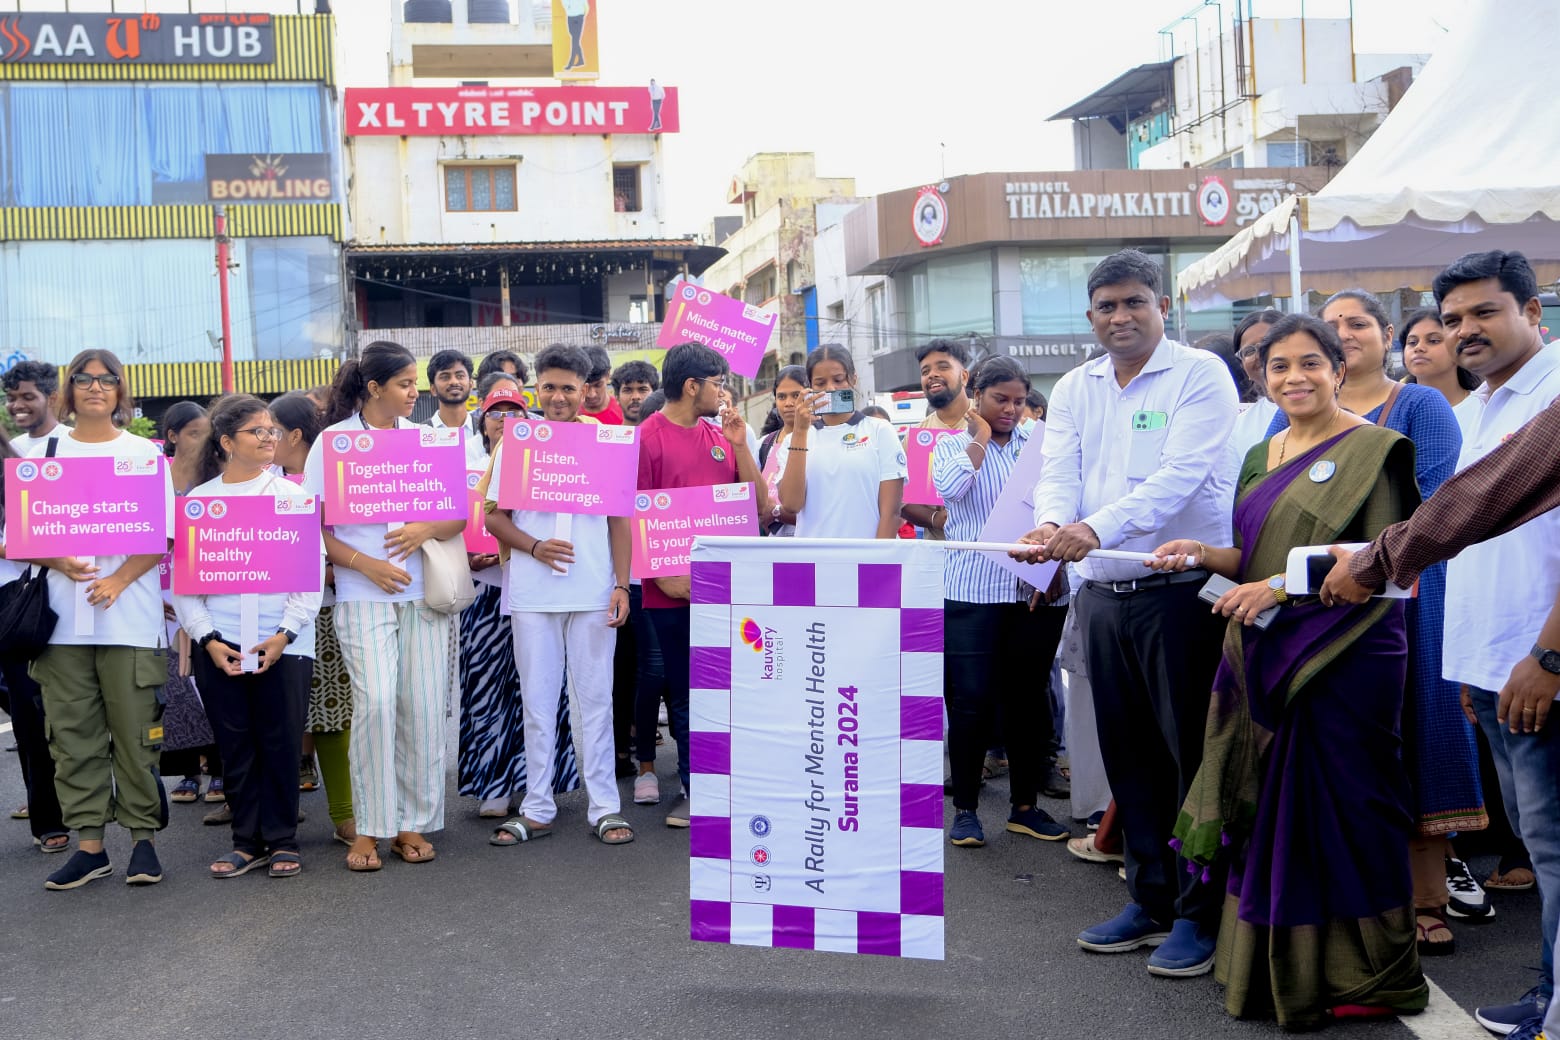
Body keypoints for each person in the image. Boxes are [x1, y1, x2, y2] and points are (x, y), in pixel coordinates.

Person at [1152, 313, 1427, 1028]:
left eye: (1312, 363)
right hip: (1268, 651)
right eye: (1279, 367)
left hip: (1349, 654)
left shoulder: (1378, 450)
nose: (1295, 377)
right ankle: (1284, 969)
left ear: (1340, 369)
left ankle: (1377, 972)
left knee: (1353, 806)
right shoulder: (1260, 454)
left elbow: (1389, 566)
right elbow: (1250, 555)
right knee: (1274, 810)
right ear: (1261, 377)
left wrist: (1275, 588)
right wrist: (1204, 555)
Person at [1013, 248, 1237, 977]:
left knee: (1189, 760)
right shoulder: (1076, 385)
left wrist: (1093, 530)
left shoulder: (1200, 374)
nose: (1121, 316)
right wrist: (1051, 528)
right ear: (1090, 316)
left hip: (1179, 595)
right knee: (1129, 758)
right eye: (1107, 306)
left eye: (1135, 302)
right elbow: (1059, 471)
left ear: (1161, 305)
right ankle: (1151, 901)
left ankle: (1204, 917)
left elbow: (1182, 476)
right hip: (1103, 596)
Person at [1272, 288, 1478, 956]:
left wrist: (1359, 562)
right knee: (1345, 748)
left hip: (1404, 593)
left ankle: (1425, 897)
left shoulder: (1415, 404)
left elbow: (1436, 502)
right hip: (1317, 601)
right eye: (1331, 326)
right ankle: (1359, 895)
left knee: (1415, 731)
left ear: (1384, 333)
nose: (1344, 334)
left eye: (1357, 322)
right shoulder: (1286, 422)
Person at [1428, 251, 1560, 1037]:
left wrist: (1548, 659)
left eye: (1484, 313)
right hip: (1489, 671)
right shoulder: (1474, 411)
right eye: (1452, 320)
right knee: (1545, 855)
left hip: (1537, 668)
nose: (1465, 331)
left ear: (1533, 312)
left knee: (1554, 852)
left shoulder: (1553, 397)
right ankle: (1548, 995)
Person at [303, 341, 465, 871]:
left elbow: (457, 517)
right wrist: (361, 563)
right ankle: (368, 827)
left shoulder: (428, 439)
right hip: (361, 596)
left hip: (424, 595)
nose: (413, 392)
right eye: (403, 383)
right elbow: (314, 527)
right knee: (374, 706)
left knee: (419, 709)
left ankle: (410, 823)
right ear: (373, 388)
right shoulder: (333, 443)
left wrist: (425, 528)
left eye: (414, 382)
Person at [24, 350, 175, 890]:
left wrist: (119, 578)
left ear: (120, 392)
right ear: (68, 389)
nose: (94, 387)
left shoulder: (142, 454)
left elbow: (160, 536)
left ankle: (142, 842)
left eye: (106, 380)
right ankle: (90, 847)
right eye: (83, 379)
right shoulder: (38, 452)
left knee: (136, 737)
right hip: (59, 624)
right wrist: (55, 559)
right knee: (72, 738)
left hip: (128, 619)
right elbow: (16, 536)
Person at [484, 345, 634, 846]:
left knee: (595, 702)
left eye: (569, 387)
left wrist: (620, 585)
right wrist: (535, 547)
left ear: (587, 390)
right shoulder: (516, 441)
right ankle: (538, 807)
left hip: (593, 591)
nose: (557, 396)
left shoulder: (606, 440)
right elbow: (493, 517)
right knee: (538, 704)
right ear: (536, 390)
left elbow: (620, 521)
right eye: (547, 386)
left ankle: (605, 807)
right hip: (531, 593)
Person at [175, 395, 323, 879]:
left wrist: (283, 634)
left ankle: (282, 840)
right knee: (235, 745)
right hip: (221, 644)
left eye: (272, 431)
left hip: (284, 644)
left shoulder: (294, 499)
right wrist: (208, 640)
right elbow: (186, 588)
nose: (268, 438)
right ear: (226, 442)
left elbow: (309, 579)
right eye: (256, 431)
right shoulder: (199, 503)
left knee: (280, 742)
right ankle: (246, 842)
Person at [932, 356, 1069, 849]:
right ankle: (966, 809)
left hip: (1037, 591)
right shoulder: (952, 446)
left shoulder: (1045, 445)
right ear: (976, 395)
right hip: (974, 592)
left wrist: (1052, 570)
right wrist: (980, 437)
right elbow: (951, 490)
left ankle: (1025, 807)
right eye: (999, 399)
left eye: (1017, 400)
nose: (1010, 409)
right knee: (969, 704)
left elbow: (1068, 502)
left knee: (1028, 702)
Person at [635, 342, 766, 826]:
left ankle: (732, 784)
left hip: (726, 587)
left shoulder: (722, 433)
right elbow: (633, 515)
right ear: (693, 386)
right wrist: (662, 577)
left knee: (731, 690)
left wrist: (738, 445)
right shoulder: (646, 438)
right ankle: (696, 790)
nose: (724, 392)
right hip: (669, 596)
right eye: (719, 383)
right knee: (688, 694)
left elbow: (758, 504)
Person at [459, 375, 581, 818]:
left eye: (515, 412)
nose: (506, 420)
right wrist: (468, 555)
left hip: (534, 586)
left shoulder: (541, 455)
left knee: (541, 689)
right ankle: (493, 784)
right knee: (488, 689)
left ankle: (540, 781)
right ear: (483, 419)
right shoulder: (463, 459)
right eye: (497, 413)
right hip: (483, 597)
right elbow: (448, 520)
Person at [271, 392, 357, 845]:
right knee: (309, 718)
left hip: (327, 608)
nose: (267, 439)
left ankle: (347, 813)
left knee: (333, 717)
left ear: (296, 435)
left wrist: (322, 568)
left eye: (273, 431)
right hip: (283, 612)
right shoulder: (271, 481)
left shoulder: (317, 478)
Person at [0, 425, 67, 852]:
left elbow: (42, 538)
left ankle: (49, 818)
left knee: (30, 713)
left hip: (12, 608)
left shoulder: (21, 476)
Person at [158, 401, 225, 809]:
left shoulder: (214, 481)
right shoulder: (156, 478)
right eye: (195, 433)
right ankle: (187, 771)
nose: (203, 442)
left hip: (204, 595)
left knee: (206, 680)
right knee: (173, 685)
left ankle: (219, 767)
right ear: (173, 436)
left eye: (207, 434)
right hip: (159, 595)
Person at [780, 344, 907, 540]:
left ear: (853, 379)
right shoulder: (794, 439)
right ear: (810, 386)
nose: (831, 388)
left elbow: (890, 514)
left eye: (838, 380)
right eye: (820, 383)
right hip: (813, 562)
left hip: (866, 561)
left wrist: (876, 563)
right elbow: (791, 504)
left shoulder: (879, 430)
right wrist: (800, 431)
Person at [901, 338, 972, 539]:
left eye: (943, 367)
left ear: (964, 376)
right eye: (925, 371)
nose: (932, 374)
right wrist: (935, 519)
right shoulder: (915, 437)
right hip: (938, 555)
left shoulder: (988, 421)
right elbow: (903, 502)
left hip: (989, 549)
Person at [1401, 307, 1482, 410]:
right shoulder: (1394, 409)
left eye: (1434, 340)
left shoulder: (1482, 407)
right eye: (1412, 342)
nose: (1418, 348)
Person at [1229, 310, 1284, 459]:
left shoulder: (1322, 407)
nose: (1260, 354)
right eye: (1249, 351)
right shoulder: (1239, 426)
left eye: (1267, 344)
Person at [757, 365, 805, 537]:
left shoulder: (823, 440)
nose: (789, 403)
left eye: (796, 395)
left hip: (811, 543)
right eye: (782, 397)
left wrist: (776, 512)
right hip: (773, 547)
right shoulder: (764, 445)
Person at [426, 349, 485, 470]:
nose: (453, 382)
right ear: (433, 389)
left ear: (471, 384)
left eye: (460, 376)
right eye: (445, 377)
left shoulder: (485, 430)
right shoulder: (420, 433)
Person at [3, 359, 67, 454]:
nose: (17, 405)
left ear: (52, 399)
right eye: (11, 399)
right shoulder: (12, 449)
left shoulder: (71, 444)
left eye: (28, 397)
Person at [580, 345, 624, 425]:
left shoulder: (624, 412)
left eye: (598, 385)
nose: (591, 394)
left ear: (608, 375)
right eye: (585, 387)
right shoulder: (568, 414)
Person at [611, 359, 659, 426]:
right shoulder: (609, 435)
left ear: (655, 395)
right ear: (617, 397)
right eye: (627, 390)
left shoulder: (666, 435)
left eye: (642, 390)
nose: (635, 397)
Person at [561, 0, 589, 70]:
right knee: (575, 39)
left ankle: (570, 63)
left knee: (575, 40)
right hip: (570, 17)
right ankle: (581, 60)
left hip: (579, 17)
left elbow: (586, 6)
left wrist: (582, 16)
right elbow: (565, 5)